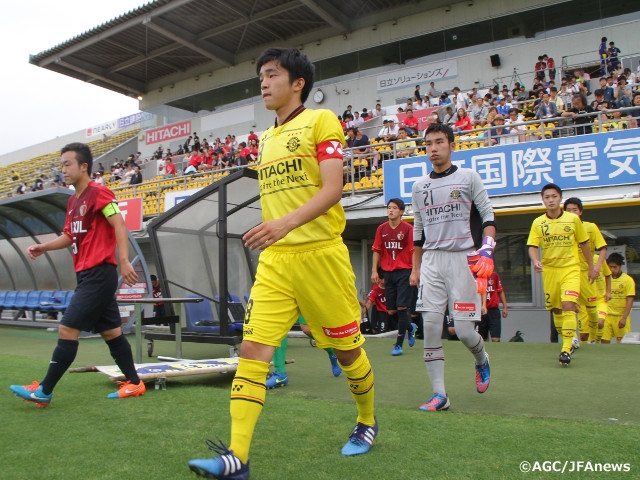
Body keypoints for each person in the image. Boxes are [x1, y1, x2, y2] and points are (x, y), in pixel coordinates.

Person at [188, 47, 377, 479]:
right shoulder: (266, 138)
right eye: (260, 76)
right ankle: (237, 457)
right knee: (253, 349)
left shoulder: (321, 121)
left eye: (272, 74)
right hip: (276, 262)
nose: (263, 82)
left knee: (348, 353)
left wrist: (284, 224)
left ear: (298, 84)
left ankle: (366, 420)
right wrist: (276, 231)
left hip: (321, 256)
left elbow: (333, 189)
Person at [9, 143, 143, 407]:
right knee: (112, 333)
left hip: (99, 273)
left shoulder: (99, 193)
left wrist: (125, 260)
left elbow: (119, 223)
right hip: (86, 274)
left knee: (67, 329)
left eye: (67, 164)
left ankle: (44, 391)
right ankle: (135, 383)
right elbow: (70, 235)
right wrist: (44, 246)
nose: (63, 170)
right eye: (61, 165)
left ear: (84, 166)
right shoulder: (73, 201)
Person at [410, 123, 495, 412]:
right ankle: (440, 395)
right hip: (432, 261)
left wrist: (488, 249)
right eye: (428, 144)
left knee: (463, 331)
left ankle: (481, 360)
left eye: (438, 142)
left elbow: (488, 215)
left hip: (464, 259)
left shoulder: (468, 177)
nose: (432, 149)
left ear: (451, 145)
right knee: (431, 326)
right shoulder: (419, 186)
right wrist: (415, 268)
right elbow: (418, 231)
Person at [527, 184, 595, 366]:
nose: (550, 200)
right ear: (543, 200)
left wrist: (591, 267)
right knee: (556, 309)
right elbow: (532, 246)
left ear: (560, 199)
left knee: (568, 305)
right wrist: (535, 260)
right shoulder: (538, 223)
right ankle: (570, 337)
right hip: (550, 271)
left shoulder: (573, 220)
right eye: (547, 197)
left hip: (570, 269)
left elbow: (584, 244)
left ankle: (566, 349)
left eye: (554, 196)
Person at [371, 198, 416, 356]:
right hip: (388, 273)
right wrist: (374, 271)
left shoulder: (408, 229)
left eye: (394, 208)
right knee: (391, 310)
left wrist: (415, 272)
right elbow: (376, 250)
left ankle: (398, 345)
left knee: (402, 307)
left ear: (401, 212)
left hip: (404, 271)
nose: (391, 210)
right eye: (389, 208)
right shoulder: (381, 229)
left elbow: (414, 251)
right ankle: (411, 328)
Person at [563, 197, 608, 344]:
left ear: (580, 212)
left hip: (587, 274)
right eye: (568, 210)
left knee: (591, 310)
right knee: (568, 306)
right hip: (570, 272)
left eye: (574, 210)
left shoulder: (591, 227)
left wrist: (595, 268)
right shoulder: (563, 229)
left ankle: (596, 339)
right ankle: (572, 339)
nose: (571, 213)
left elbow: (602, 249)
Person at [265, 314, 342, 388]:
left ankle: (332, 352)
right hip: (284, 301)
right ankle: (280, 374)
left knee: (307, 329)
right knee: (279, 327)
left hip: (304, 301)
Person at [600, 253, 634, 344]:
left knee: (623, 343)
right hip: (607, 316)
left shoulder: (628, 280)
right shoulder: (605, 279)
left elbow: (630, 301)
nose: (612, 270)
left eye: (615, 267)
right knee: (604, 341)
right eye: (610, 267)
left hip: (620, 316)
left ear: (620, 266)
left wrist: (624, 318)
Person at [479, 272, 508, 342]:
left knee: (495, 339)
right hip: (481, 311)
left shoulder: (494, 275)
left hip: (493, 310)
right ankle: (483, 353)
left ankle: (496, 352)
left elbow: (500, 291)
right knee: (482, 339)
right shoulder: (477, 276)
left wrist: (505, 307)